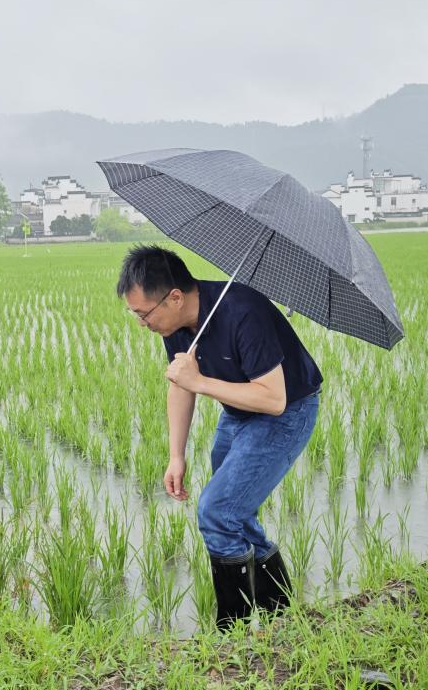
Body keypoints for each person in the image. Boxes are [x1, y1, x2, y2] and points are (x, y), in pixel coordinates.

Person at [117, 245, 321, 630]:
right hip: (239, 414)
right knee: (234, 515)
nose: (143, 323)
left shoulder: (245, 312)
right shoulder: (176, 325)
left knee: (217, 511)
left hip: (287, 413)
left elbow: (273, 399)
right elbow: (181, 384)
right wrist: (176, 455)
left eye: (144, 313)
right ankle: (283, 618)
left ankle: (233, 632)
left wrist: (200, 380)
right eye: (136, 315)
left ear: (174, 297)